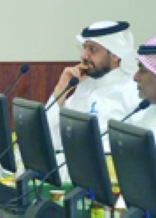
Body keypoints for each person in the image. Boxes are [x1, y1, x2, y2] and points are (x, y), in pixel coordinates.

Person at [46, 21, 139, 149]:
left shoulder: (133, 90)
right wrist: (61, 89)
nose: (83, 55)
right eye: (84, 48)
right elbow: (49, 137)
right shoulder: (85, 84)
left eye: (93, 49)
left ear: (115, 55)